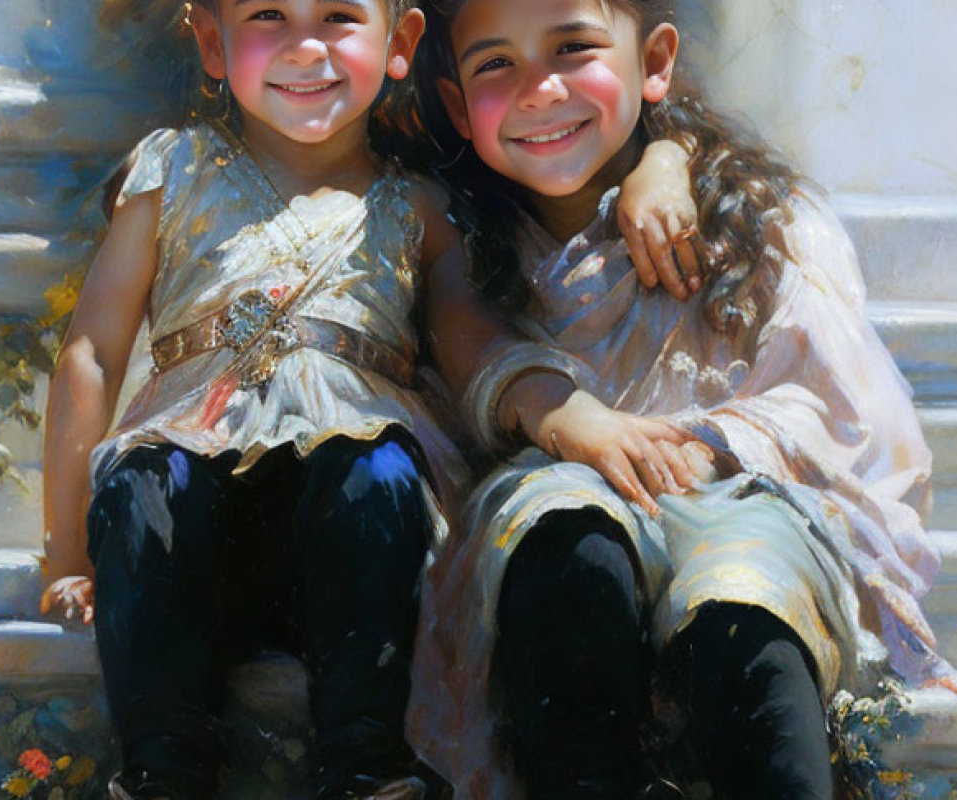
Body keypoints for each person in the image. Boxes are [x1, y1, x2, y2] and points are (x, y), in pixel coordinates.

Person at [37, 1, 704, 797]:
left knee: (376, 472)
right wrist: (68, 549)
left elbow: (471, 341)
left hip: (349, 546)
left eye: (340, 16)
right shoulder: (173, 169)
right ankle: (162, 774)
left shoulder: (418, 205)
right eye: (269, 17)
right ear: (213, 42)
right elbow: (92, 352)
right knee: (147, 483)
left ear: (401, 42)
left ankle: (362, 770)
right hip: (197, 516)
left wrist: (561, 412)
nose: (306, 48)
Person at [406, 1, 945, 799]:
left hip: (732, 492)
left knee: (746, 610)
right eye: (495, 65)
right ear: (455, 103)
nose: (539, 90)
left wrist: (705, 446)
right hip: (557, 499)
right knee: (567, 547)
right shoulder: (460, 233)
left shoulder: (746, 215)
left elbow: (835, 400)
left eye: (572, 47)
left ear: (655, 62)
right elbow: (468, 343)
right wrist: (562, 416)